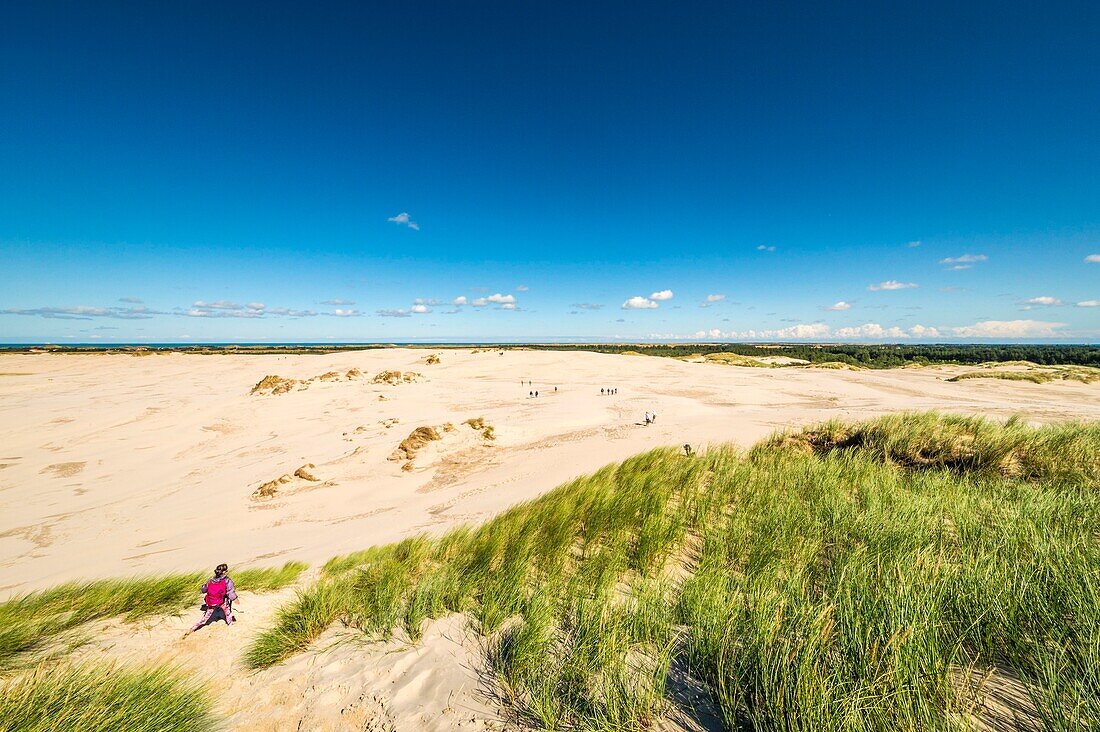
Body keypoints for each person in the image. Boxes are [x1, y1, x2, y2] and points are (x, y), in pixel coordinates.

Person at [184, 563, 238, 636]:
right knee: (227, 611)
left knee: (205, 618)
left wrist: (203, 587)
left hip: (211, 602)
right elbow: (230, 591)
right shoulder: (227, 580)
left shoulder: (211, 580)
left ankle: (193, 628)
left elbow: (204, 589)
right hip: (220, 601)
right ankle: (230, 624)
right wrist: (235, 598)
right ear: (224, 572)